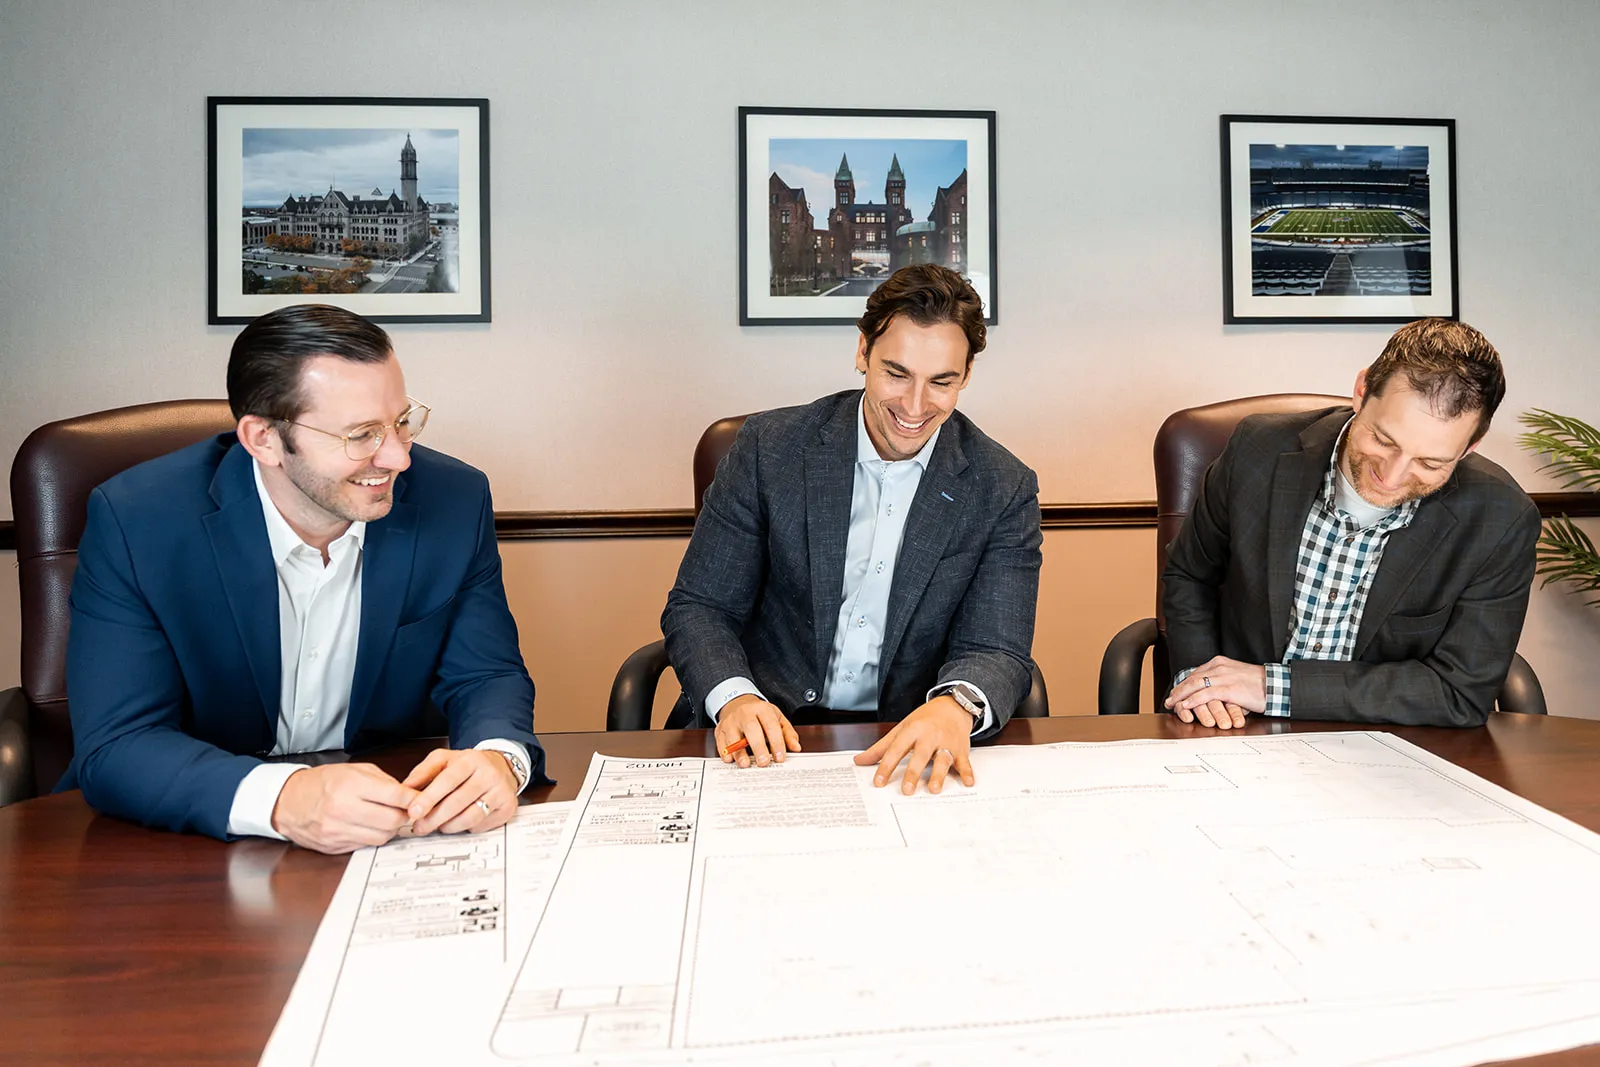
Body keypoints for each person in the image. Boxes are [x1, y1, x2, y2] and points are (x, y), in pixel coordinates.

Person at [63, 304, 543, 852]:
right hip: (191, 838)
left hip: (392, 825)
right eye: (361, 434)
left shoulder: (453, 499)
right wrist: (284, 797)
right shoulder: (138, 521)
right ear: (262, 439)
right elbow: (119, 745)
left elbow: (486, 673)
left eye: (401, 422)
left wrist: (499, 759)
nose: (398, 457)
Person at [662, 264, 1042, 795]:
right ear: (862, 352)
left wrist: (955, 707)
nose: (914, 406)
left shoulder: (1002, 486)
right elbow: (700, 606)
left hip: (903, 744)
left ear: (966, 376)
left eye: (941, 382)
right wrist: (735, 696)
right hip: (760, 739)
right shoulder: (768, 448)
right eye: (896, 373)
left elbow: (997, 647)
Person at [1162, 318, 1539, 729]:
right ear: (1361, 391)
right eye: (1383, 439)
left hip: (1392, 741)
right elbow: (1189, 575)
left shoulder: (1501, 518)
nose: (1392, 477)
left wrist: (1273, 687)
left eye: (1431, 463)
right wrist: (1200, 681)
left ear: (1469, 448)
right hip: (1239, 725)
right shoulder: (1257, 450)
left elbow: (1459, 691)